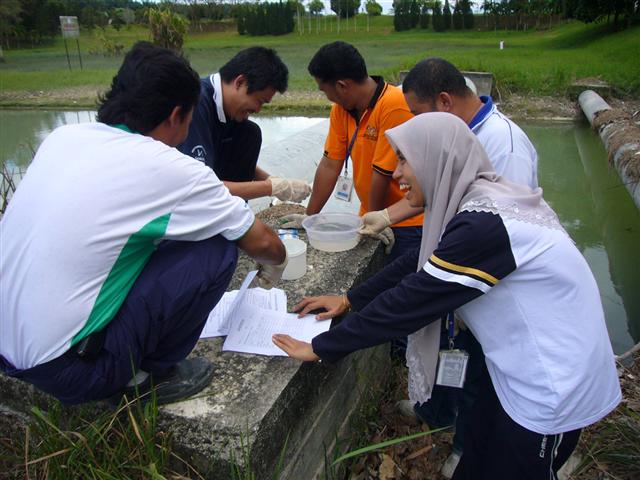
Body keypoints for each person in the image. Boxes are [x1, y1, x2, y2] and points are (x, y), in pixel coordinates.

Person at [273, 113, 621, 480]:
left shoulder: (486, 223)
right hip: (514, 366)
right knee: (476, 457)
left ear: (435, 159)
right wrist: (350, 299)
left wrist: (323, 346)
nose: (396, 174)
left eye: (404, 160)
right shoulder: (479, 198)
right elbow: (420, 260)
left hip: (551, 383)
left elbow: (410, 302)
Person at [0, 42, 287, 406]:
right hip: (72, 372)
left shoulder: (64, 138)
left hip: (8, 351)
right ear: (176, 115)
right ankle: (149, 376)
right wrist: (277, 264)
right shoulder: (169, 167)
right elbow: (262, 243)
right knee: (218, 246)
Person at [361, 57, 540, 476]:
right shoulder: (460, 131)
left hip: (486, 279)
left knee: (478, 366)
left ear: (444, 101)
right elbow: (434, 187)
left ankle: (464, 445)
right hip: (457, 258)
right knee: (446, 345)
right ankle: (436, 410)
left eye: (419, 114)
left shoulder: (505, 148)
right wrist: (387, 215)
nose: (417, 125)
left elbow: (504, 232)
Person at [280, 41, 422, 257]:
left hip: (405, 221)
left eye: (325, 91)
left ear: (341, 86)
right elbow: (330, 165)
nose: (327, 97)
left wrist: (375, 222)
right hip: (369, 216)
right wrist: (310, 217)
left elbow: (382, 173)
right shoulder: (341, 110)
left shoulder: (393, 105)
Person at [177, 47, 311, 203]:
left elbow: (239, 163)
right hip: (184, 200)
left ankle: (236, 210)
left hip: (208, 189)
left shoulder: (229, 112)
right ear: (240, 82)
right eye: (260, 101)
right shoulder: (196, 105)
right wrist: (271, 187)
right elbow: (199, 187)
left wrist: (276, 182)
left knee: (250, 133)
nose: (258, 110)